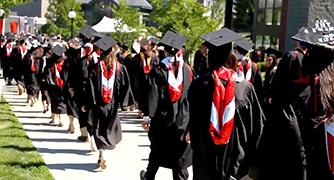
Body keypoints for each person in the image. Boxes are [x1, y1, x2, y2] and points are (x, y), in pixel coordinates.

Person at [188, 28, 265, 180]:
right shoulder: (244, 87)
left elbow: (193, 124)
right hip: (236, 162)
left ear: (210, 56)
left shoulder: (198, 85)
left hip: (205, 160)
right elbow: (257, 127)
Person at [140, 30, 193, 180]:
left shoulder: (158, 70)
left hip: (162, 120)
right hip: (182, 121)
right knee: (179, 154)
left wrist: (147, 117)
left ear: (166, 51)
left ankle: (149, 177)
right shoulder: (188, 70)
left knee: (157, 151)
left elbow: (152, 95)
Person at [84, 36, 131, 170]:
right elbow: (125, 86)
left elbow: (89, 87)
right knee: (109, 129)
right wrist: (124, 103)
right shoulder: (120, 68)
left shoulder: (94, 67)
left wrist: (89, 103)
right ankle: (104, 154)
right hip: (112, 105)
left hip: (97, 105)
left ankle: (101, 153)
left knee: (98, 128)